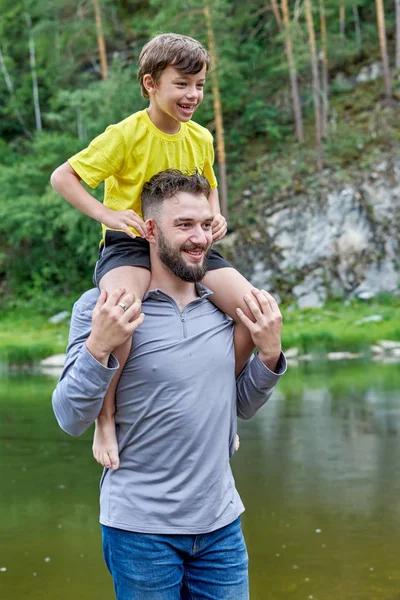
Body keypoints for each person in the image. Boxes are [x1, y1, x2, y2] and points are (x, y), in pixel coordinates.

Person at [52, 169, 286, 600]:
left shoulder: (223, 311)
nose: (199, 237)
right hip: (140, 532)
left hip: (221, 528)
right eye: (184, 225)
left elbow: (241, 406)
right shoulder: (102, 307)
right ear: (152, 230)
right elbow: (69, 417)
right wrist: (98, 346)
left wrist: (269, 357)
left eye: (204, 224)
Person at [50, 32, 256, 472]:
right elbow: (63, 178)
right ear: (150, 84)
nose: (193, 95)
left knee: (253, 309)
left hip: (186, 242)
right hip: (129, 241)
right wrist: (106, 213)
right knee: (121, 311)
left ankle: (221, 411)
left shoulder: (200, 137)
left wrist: (215, 217)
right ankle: (106, 419)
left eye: (199, 85)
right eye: (182, 84)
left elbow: (210, 184)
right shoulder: (124, 135)